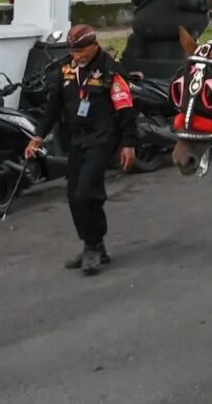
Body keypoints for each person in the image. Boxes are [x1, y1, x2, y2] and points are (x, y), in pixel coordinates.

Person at [25, 25, 137, 276]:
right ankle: (93, 243)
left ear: (94, 45)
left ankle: (93, 247)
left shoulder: (111, 72)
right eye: (73, 51)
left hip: (102, 139)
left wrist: (128, 144)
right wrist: (39, 136)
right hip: (75, 139)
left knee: (88, 190)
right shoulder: (65, 70)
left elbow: (126, 110)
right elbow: (53, 107)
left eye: (82, 51)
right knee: (74, 195)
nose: (78, 56)